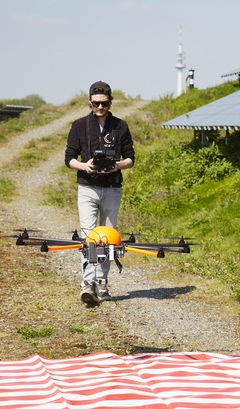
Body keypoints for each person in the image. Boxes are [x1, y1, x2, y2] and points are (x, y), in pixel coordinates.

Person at [65, 81, 135, 304]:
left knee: (108, 237)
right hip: (87, 186)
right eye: (96, 104)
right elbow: (69, 158)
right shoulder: (79, 126)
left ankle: (102, 282)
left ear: (110, 102)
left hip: (112, 187)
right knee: (89, 236)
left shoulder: (120, 126)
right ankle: (88, 283)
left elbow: (131, 158)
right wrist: (85, 165)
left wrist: (117, 165)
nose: (100, 108)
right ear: (89, 102)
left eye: (104, 104)